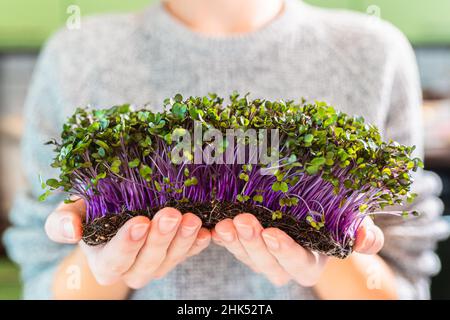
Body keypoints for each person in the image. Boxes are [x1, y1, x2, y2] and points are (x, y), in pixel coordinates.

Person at [3, 0, 449, 299]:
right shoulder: (75, 54)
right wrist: (103, 265)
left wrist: (330, 253)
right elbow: (44, 283)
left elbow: (403, 287)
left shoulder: (376, 51)